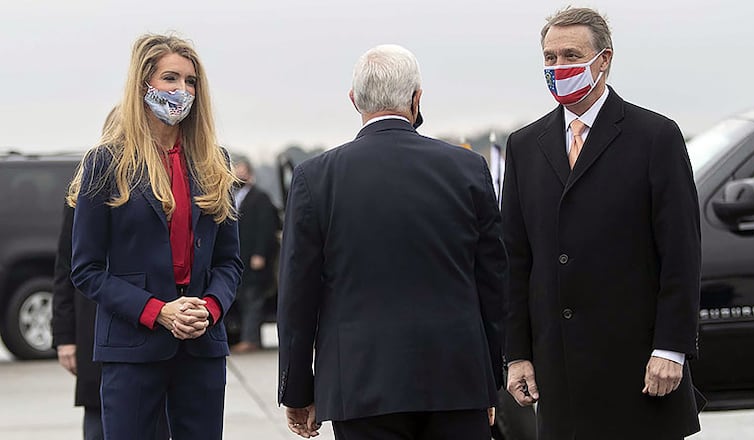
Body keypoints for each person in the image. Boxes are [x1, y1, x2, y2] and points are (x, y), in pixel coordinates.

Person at [277, 44, 507, 440]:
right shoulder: (468, 169)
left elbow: (298, 293)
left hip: (361, 383)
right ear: (417, 98)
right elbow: (493, 283)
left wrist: (298, 388)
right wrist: (491, 379)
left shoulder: (315, 178)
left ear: (354, 101)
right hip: (457, 379)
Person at [501, 7, 703, 439]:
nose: (559, 67)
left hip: (639, 371)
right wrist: (516, 354)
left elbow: (681, 254)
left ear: (604, 60)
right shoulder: (524, 147)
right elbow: (516, 261)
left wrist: (672, 348)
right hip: (560, 381)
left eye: (570, 55)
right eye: (550, 58)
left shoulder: (655, 137)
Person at [68, 33, 242, 439]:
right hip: (133, 346)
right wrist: (158, 311)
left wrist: (210, 308)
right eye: (170, 78)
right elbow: (86, 269)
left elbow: (229, 261)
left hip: (201, 346)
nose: (183, 90)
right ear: (144, 84)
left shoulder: (215, 161)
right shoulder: (106, 163)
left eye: (191, 81)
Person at [52, 109, 170, 440]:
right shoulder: (82, 192)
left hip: (147, 321)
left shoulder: (156, 190)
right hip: (94, 322)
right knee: (99, 420)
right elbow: (65, 268)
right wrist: (65, 337)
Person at [229, 157, 280, 353]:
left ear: (250, 174)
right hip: (240, 258)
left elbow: (266, 229)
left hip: (254, 259)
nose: (238, 175)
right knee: (243, 298)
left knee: (253, 298)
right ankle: (248, 337)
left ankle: (250, 340)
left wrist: (260, 253)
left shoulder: (260, 198)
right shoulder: (234, 197)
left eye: (242, 171)